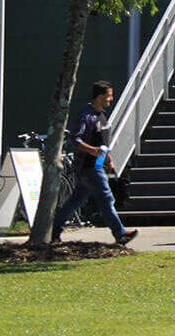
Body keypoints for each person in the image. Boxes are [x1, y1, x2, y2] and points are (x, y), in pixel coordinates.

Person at [52, 81, 137, 246]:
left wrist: (109, 159)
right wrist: (92, 150)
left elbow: (104, 142)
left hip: (97, 166)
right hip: (89, 167)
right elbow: (74, 139)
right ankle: (120, 234)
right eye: (108, 96)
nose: (111, 99)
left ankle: (53, 231)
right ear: (99, 96)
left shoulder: (102, 116)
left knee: (74, 202)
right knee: (106, 198)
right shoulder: (87, 116)